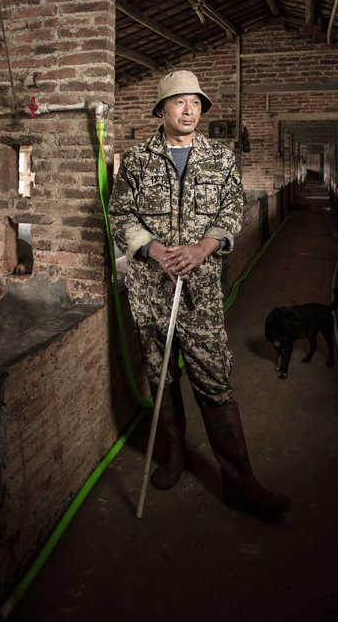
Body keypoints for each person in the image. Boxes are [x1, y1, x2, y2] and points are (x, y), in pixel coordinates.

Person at [108, 70, 290, 519]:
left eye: (196, 103)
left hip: (202, 292)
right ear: (161, 110)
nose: (189, 110)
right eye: (179, 102)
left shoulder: (220, 159)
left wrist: (203, 247)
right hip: (151, 291)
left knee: (214, 375)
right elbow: (120, 214)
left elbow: (232, 210)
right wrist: (152, 249)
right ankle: (175, 454)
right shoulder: (136, 162)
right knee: (161, 373)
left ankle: (240, 480)